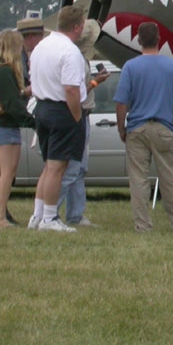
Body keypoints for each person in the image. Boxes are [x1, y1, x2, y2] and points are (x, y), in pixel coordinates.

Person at [114, 21, 173, 234]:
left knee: (138, 179)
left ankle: (143, 225)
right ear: (159, 39)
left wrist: (122, 128)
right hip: (164, 127)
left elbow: (121, 103)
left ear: (138, 40)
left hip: (137, 128)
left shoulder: (130, 67)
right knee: (171, 179)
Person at [0, 16, 46, 226]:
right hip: (5, 126)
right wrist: (32, 122)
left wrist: (22, 93)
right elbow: (12, 105)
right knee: (7, 174)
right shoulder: (7, 71)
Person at [28, 5, 88, 232]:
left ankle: (37, 215)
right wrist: (77, 116)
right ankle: (50, 218)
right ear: (76, 27)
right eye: (83, 25)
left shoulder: (41, 46)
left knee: (48, 166)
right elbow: (71, 89)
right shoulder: (70, 51)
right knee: (57, 168)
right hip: (61, 109)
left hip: (42, 107)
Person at [57, 19, 109, 227]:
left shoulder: (78, 58)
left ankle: (75, 214)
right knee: (71, 169)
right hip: (78, 114)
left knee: (79, 169)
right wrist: (96, 82)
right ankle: (52, 212)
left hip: (83, 115)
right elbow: (75, 91)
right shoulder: (75, 59)